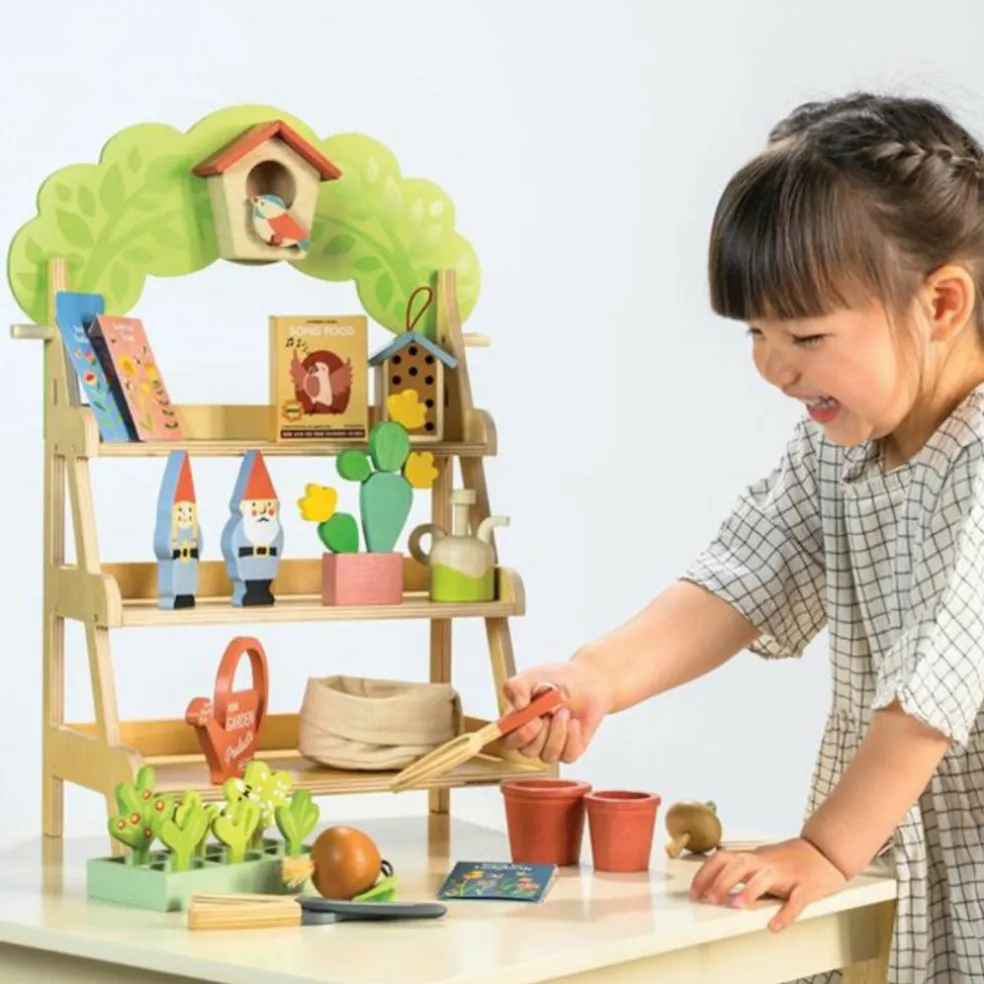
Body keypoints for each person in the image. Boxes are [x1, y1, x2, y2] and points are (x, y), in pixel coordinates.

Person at [501, 91, 984, 984]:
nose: (772, 364)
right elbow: (743, 577)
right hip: (898, 845)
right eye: (757, 332)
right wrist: (598, 675)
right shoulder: (842, 446)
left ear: (943, 304)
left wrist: (826, 850)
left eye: (806, 334)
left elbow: (928, 703)